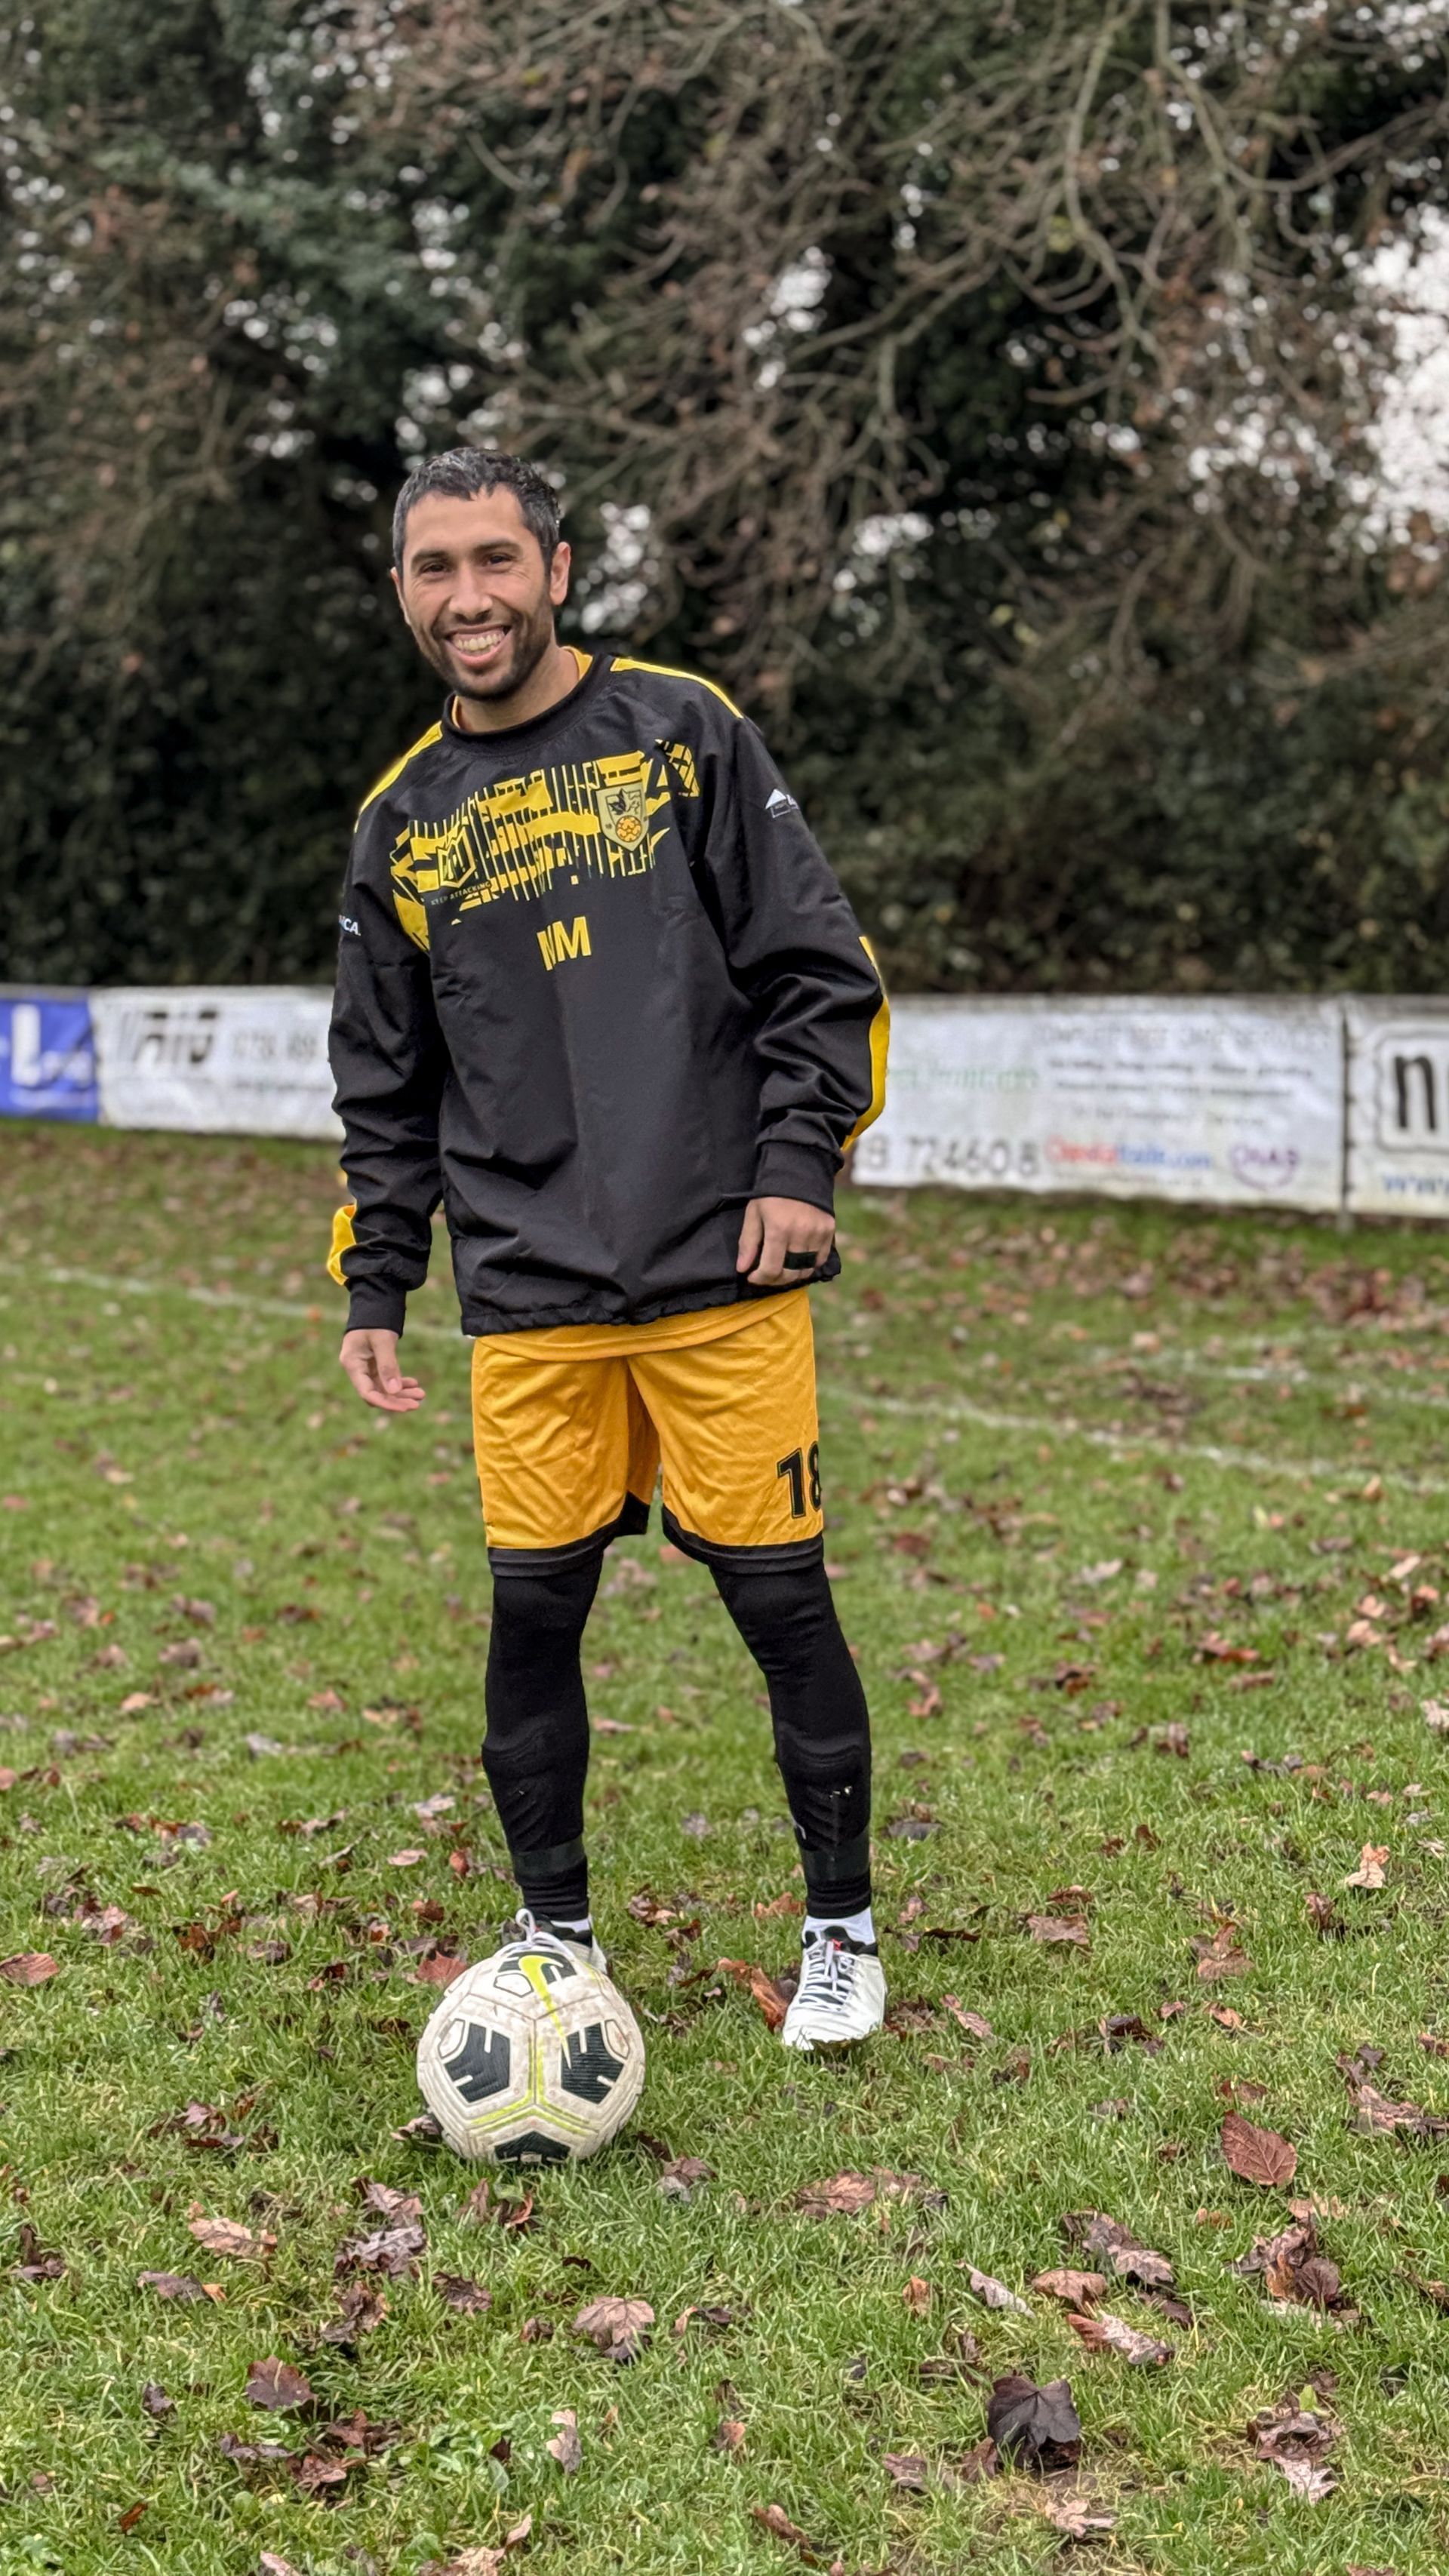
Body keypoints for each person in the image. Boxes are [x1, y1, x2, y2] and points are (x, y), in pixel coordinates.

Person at [327, 448, 890, 2051]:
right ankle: (554, 1938)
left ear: (559, 569)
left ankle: (840, 1933)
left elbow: (816, 966)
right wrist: (381, 1274)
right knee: (532, 1616)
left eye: (495, 561)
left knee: (781, 1605)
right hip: (528, 1295)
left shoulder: (680, 731)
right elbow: (385, 1079)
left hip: (722, 1268)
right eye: (435, 570)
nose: (469, 599)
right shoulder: (401, 826)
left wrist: (800, 1169)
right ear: (404, 594)